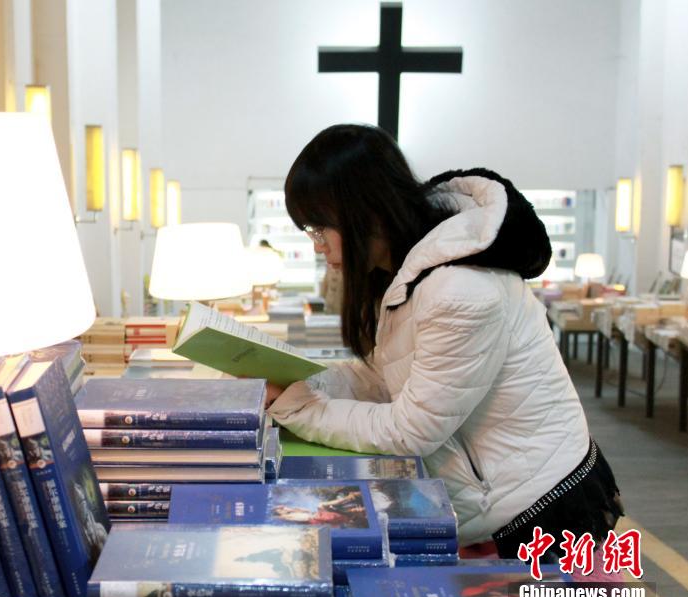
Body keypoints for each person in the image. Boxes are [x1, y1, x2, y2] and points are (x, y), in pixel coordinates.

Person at [266, 124, 623, 566]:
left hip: (542, 516)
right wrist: (300, 381)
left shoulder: (459, 288)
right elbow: (385, 375)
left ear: (364, 212)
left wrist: (301, 409)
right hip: (497, 503)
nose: (318, 246)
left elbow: (411, 429)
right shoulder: (412, 272)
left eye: (320, 228)